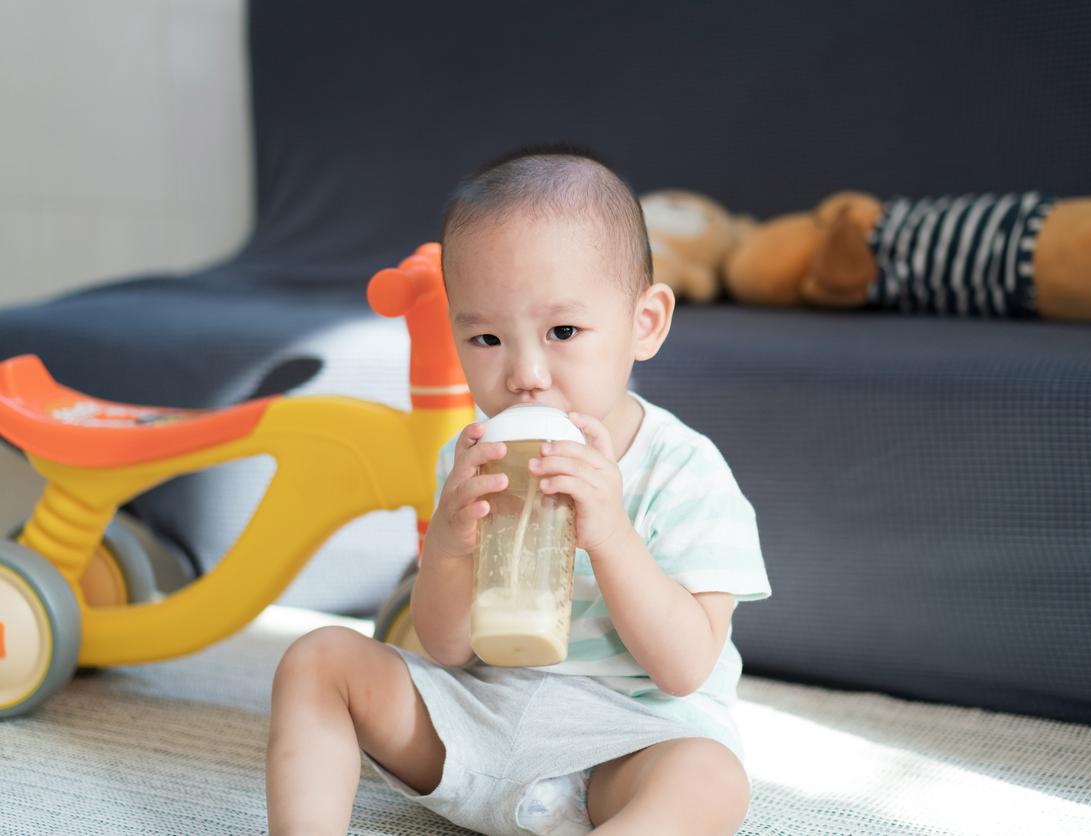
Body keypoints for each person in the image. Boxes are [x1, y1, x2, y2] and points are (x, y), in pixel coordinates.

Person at [266, 144, 771, 835]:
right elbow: (445, 648)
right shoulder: (475, 455)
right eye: (486, 339)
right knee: (317, 660)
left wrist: (611, 535)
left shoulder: (686, 471)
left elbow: (684, 667)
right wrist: (446, 545)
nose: (525, 374)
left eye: (562, 331)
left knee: (710, 780)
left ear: (644, 323)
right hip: (480, 726)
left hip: (625, 743)